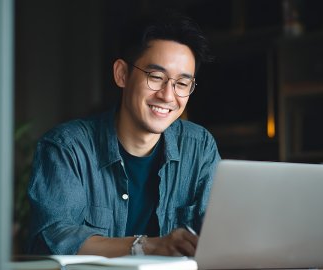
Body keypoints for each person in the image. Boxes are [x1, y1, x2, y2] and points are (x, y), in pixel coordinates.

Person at [27, 11, 221, 257]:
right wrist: (147, 246)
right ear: (122, 74)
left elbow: (220, 233)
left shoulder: (199, 147)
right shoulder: (67, 148)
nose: (168, 96)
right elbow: (54, 238)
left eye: (182, 84)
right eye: (156, 77)